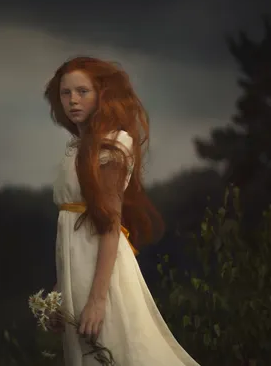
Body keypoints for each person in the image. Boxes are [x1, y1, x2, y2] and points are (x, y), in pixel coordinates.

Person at [44, 56, 200, 366]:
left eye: (82, 91)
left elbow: (110, 224)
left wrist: (98, 300)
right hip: (77, 271)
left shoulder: (111, 146)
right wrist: (59, 292)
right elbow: (70, 230)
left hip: (101, 274)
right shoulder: (76, 147)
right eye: (65, 92)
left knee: (120, 349)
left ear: (102, 94)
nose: (73, 100)